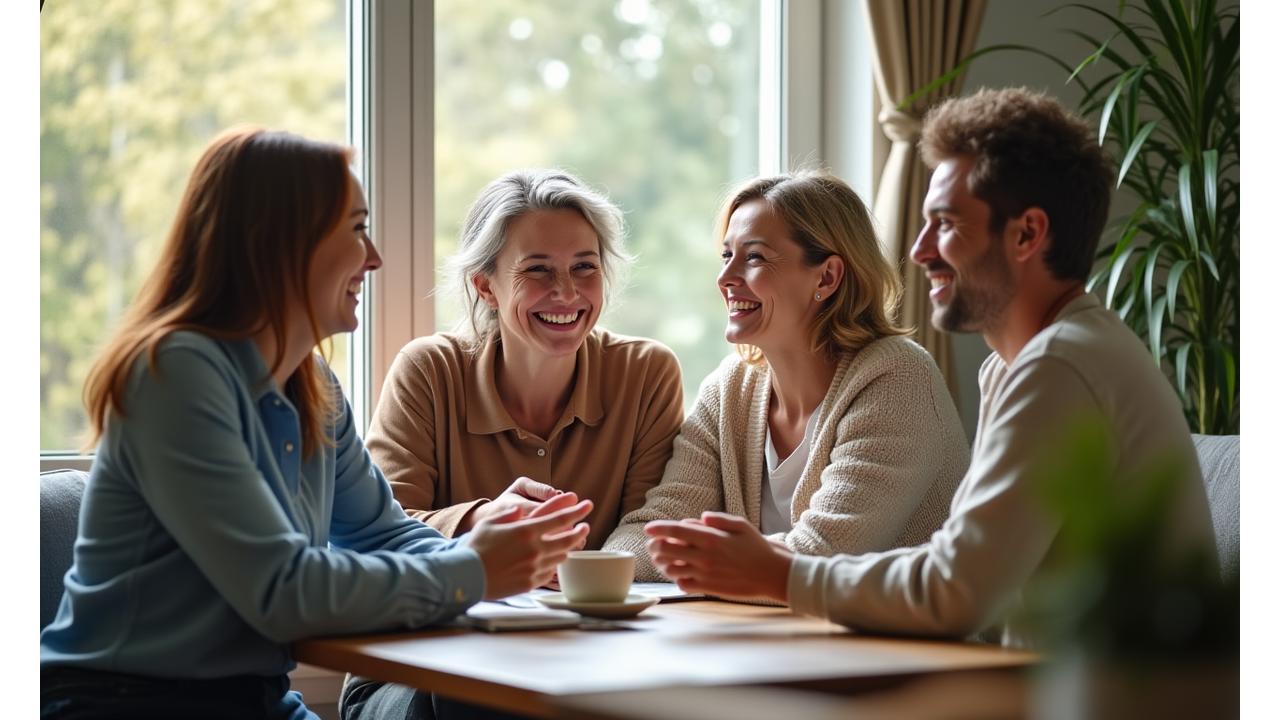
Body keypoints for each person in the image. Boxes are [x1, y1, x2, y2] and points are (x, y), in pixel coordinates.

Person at [39, 128, 592, 720]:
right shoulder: (175, 372)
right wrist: (475, 569)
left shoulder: (311, 383)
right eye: (356, 229)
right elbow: (282, 590)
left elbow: (383, 533)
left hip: (260, 702)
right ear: (276, 242)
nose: (374, 257)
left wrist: (516, 571)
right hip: (126, 705)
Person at [643, 87, 1217, 646]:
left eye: (945, 223)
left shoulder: (1058, 366)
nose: (919, 250)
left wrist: (775, 572)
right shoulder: (1021, 365)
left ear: (1027, 234)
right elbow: (969, 572)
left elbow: (956, 589)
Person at [339, 169, 684, 719]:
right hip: (421, 670)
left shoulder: (645, 373)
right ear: (485, 284)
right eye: (538, 271)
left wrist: (579, 574)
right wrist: (481, 523)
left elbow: (652, 525)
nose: (566, 293)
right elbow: (375, 533)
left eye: (584, 268)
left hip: (586, 667)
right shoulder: (428, 370)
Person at [603, 170, 970, 586]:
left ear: (827, 277)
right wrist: (581, 571)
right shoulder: (728, 390)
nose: (725, 279)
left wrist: (701, 562)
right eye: (727, 256)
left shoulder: (898, 379)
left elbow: (822, 558)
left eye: (755, 257)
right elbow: (660, 524)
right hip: (784, 642)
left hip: (906, 648)